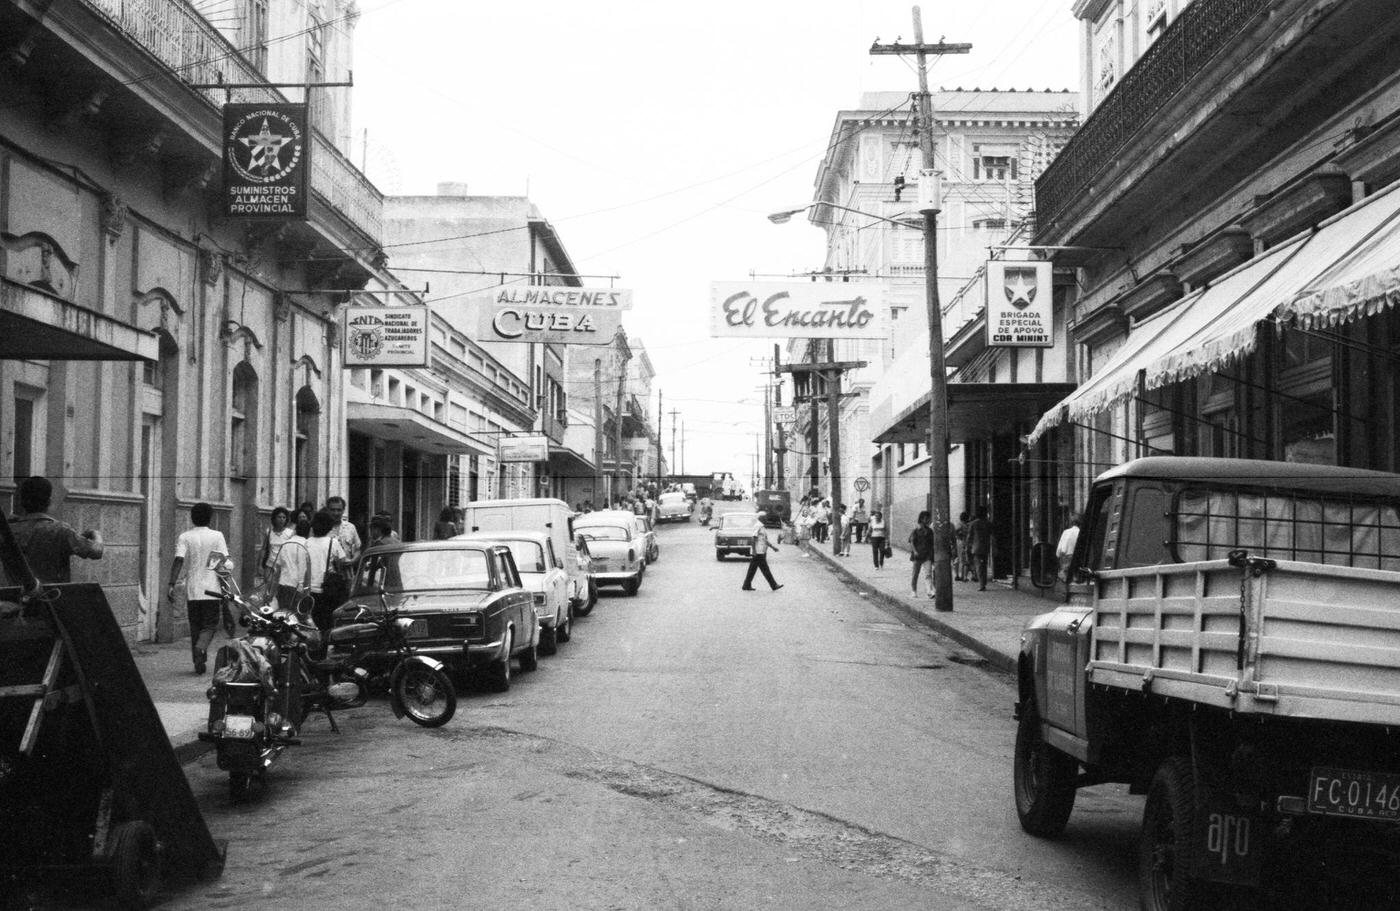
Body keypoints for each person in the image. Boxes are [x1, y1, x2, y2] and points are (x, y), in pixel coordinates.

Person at [167, 502, 228, 674]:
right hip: (212, 587)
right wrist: (225, 587)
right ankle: (201, 648)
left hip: (193, 588)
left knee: (195, 625)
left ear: (193, 518)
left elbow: (178, 560)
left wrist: (171, 583)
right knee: (210, 625)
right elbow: (221, 563)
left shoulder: (185, 536)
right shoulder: (217, 536)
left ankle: (198, 661)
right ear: (210, 517)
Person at [8, 476, 104, 584]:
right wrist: (96, 534)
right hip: (52, 596)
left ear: (22, 502)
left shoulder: (8, 530)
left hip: (15, 596)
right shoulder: (61, 531)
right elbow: (97, 551)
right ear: (48, 501)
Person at [307, 510, 347, 632]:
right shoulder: (332, 542)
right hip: (328, 589)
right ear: (329, 527)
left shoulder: (306, 542)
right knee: (327, 622)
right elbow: (342, 562)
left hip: (309, 588)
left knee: (312, 621)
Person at [274, 515, 313, 613]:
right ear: (308, 532)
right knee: (298, 615)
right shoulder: (306, 544)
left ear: (296, 530)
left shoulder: (285, 543)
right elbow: (305, 569)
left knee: (283, 614)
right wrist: (306, 589)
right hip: (297, 587)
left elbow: (278, 567)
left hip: (283, 585)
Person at [741, 513, 784, 592]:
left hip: (761, 551)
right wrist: (754, 551)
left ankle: (746, 585)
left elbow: (764, 539)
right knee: (765, 569)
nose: (766, 519)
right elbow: (753, 538)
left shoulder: (762, 527)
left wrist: (772, 547)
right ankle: (773, 585)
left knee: (752, 569)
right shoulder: (758, 526)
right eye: (764, 518)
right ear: (761, 518)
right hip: (758, 552)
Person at [256, 506, 293, 587]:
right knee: (268, 588)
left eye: (284, 517)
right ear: (274, 518)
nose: (281, 519)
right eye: (279, 517)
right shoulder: (269, 532)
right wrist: (259, 565)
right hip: (270, 565)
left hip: (284, 566)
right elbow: (264, 549)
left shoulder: (290, 533)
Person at [324, 495, 361, 569]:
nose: (336, 513)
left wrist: (352, 561)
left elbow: (358, 549)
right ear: (327, 510)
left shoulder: (350, 527)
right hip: (327, 574)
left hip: (347, 573)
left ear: (343, 510)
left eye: (339, 510)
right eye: (332, 510)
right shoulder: (321, 528)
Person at [908, 510, 936, 600]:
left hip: (927, 555)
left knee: (928, 574)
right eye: (926, 518)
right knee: (915, 574)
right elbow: (912, 542)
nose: (928, 520)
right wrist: (915, 551)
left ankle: (929, 591)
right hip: (918, 555)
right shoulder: (916, 530)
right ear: (921, 519)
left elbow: (932, 543)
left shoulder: (930, 531)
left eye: (928, 518)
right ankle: (913, 590)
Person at [967, 506, 994, 591]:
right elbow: (992, 535)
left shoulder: (973, 524)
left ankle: (982, 584)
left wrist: (967, 546)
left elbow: (969, 536)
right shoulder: (988, 523)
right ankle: (983, 582)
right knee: (984, 565)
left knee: (979, 566)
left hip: (976, 548)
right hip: (985, 547)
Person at [1056, 515, 1081, 582]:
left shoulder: (1066, 532)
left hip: (1066, 558)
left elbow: (1059, 549)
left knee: (1065, 576)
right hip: (1078, 558)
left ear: (1071, 523)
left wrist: (1058, 556)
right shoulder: (1080, 532)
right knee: (1075, 577)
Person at [954, 511, 971, 582]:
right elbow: (957, 532)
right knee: (964, 560)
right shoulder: (964, 525)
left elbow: (956, 532)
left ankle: (958, 575)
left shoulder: (959, 524)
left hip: (959, 542)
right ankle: (964, 576)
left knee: (958, 559)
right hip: (963, 542)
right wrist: (961, 536)